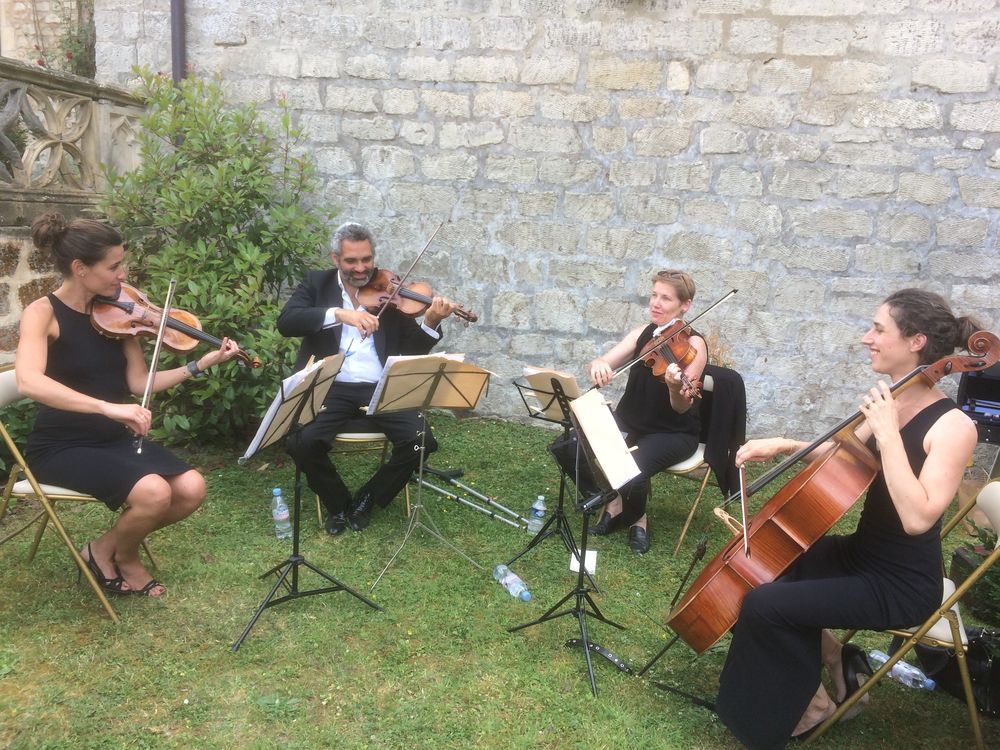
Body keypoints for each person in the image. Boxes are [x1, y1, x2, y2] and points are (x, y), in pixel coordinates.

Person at [715, 289, 983, 749]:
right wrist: (781, 444)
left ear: (916, 341)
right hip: (862, 553)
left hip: (900, 583)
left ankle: (810, 710)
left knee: (767, 605)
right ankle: (840, 664)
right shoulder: (890, 400)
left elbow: (919, 516)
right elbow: (845, 460)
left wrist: (889, 435)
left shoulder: (954, 427)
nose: (867, 338)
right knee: (757, 562)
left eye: (879, 330)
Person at [16, 213, 240, 597]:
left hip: (111, 439)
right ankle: (128, 558)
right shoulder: (43, 313)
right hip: (61, 445)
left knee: (191, 488)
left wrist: (199, 364)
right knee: (154, 492)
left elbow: (140, 382)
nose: (123, 275)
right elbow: (29, 381)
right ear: (80, 268)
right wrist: (108, 408)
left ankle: (101, 549)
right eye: (114, 266)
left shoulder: (116, 313)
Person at [277, 222, 458, 536]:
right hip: (330, 385)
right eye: (351, 261)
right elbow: (287, 322)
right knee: (301, 441)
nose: (360, 268)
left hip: (380, 386)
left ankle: (368, 498)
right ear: (336, 259)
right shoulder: (316, 284)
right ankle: (338, 503)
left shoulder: (389, 290)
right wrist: (341, 314)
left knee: (421, 442)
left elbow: (411, 351)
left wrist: (430, 321)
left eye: (366, 259)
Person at [560, 269, 707, 554]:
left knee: (632, 470)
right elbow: (602, 360)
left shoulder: (694, 345)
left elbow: (682, 407)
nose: (656, 303)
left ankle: (638, 518)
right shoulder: (644, 333)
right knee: (570, 445)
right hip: (631, 420)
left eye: (666, 298)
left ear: (685, 305)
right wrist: (599, 365)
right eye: (654, 295)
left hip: (672, 431)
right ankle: (613, 500)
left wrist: (674, 387)